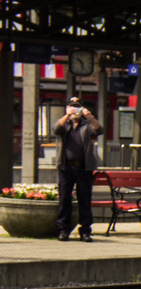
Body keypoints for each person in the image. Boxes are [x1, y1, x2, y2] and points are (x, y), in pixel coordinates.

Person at [52, 96, 103, 242]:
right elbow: (56, 129)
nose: (76, 110)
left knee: (84, 200)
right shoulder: (65, 123)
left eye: (78, 107)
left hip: (83, 168)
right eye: (73, 107)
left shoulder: (86, 125)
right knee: (64, 199)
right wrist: (67, 115)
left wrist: (90, 117)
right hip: (66, 167)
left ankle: (85, 231)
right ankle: (63, 230)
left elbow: (99, 131)